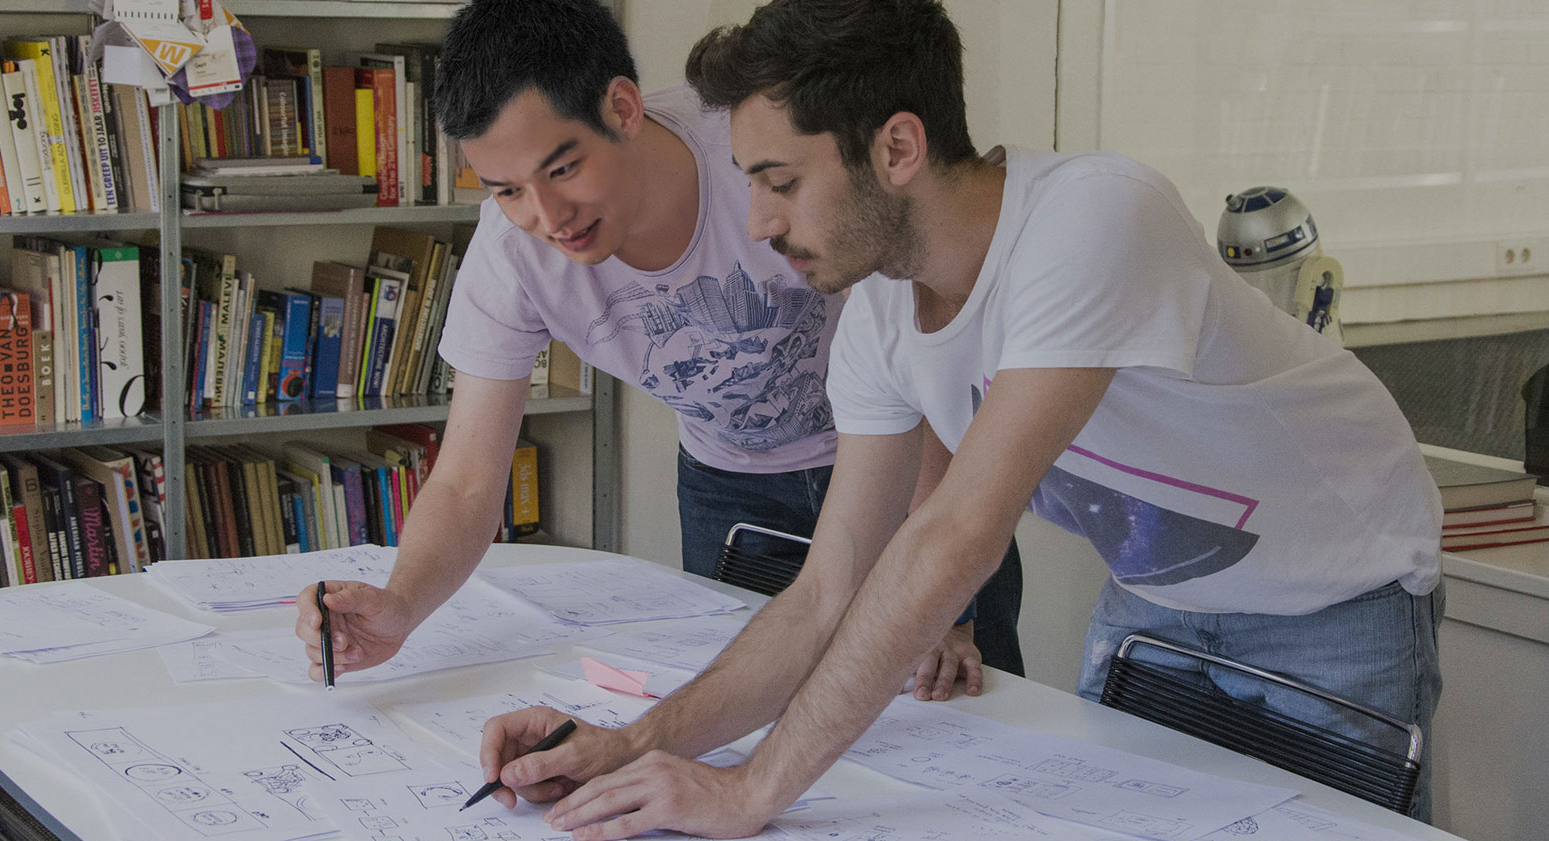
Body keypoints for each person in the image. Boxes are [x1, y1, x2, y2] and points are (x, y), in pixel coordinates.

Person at [474, 0, 1446, 840]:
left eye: (780, 181)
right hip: (1155, 599)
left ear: (897, 148)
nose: (760, 221)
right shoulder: (879, 313)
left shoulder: (1091, 218)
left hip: (1332, 598)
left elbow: (956, 536)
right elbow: (828, 590)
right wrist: (629, 745)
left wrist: (752, 789)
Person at [293, 0, 1025, 703]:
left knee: (959, 707)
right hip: (729, 486)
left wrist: (946, 600)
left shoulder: (761, 150)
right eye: (507, 190)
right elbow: (464, 484)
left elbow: (923, 346)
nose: (548, 218)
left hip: (911, 463)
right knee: (759, 708)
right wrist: (402, 605)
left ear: (622, 108)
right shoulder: (509, 254)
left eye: (562, 169)